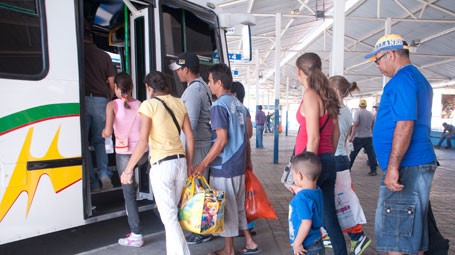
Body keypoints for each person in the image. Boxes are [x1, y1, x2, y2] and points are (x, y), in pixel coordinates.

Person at [365, 34, 437, 255]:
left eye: (378, 60)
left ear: (391, 54)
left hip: (408, 166)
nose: (377, 66)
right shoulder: (418, 79)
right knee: (411, 236)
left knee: (396, 236)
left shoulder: (402, 80)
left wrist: (393, 167)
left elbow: (405, 124)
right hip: (417, 164)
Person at [120, 71, 195, 255]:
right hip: (180, 163)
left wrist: (128, 169)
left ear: (149, 87)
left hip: (162, 165)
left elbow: (143, 141)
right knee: (171, 216)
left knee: (169, 217)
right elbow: (190, 137)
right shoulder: (179, 103)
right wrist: (190, 163)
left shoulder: (149, 105)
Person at [192, 64, 260, 255]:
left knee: (227, 209)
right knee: (236, 207)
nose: (208, 85)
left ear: (219, 83)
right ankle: (232, 246)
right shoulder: (239, 105)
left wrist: (202, 164)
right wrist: (248, 162)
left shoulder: (218, 106)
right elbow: (246, 136)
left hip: (224, 165)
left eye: (210, 81)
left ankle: (229, 250)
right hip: (238, 165)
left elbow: (221, 139)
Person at [290, 52, 347, 255]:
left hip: (312, 165)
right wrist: (327, 157)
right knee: (329, 220)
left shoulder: (310, 95)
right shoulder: (328, 94)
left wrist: (306, 174)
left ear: (299, 71)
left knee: (303, 217)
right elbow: (337, 132)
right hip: (326, 161)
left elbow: (313, 137)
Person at [170, 52, 214, 245]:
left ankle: (203, 232)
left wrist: (187, 160)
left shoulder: (193, 92)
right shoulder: (202, 86)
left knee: (197, 192)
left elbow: (191, 128)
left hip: (197, 148)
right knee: (199, 191)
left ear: (186, 69)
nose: (178, 73)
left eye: (179, 69)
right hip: (202, 146)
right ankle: (202, 230)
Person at [101, 72, 149, 247]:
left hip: (124, 154)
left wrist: (104, 133)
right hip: (143, 153)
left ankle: (136, 234)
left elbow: (107, 131)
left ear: (116, 88)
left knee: (129, 195)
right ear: (132, 87)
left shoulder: (112, 105)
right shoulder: (141, 105)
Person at [329, 76, 371, 255]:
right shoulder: (345, 111)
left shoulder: (336, 111)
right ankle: (336, 234)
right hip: (341, 159)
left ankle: (357, 236)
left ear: (335, 91)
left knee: (341, 201)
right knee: (339, 201)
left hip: (335, 160)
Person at [84, 22, 116, 192]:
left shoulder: (77, 54)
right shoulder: (104, 56)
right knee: (100, 140)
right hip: (101, 101)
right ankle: (104, 174)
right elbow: (112, 83)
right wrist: (108, 99)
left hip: (82, 101)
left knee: (83, 143)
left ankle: (91, 181)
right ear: (92, 37)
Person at [231, 81, 256, 235]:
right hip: (242, 156)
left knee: (242, 194)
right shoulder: (244, 110)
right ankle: (246, 225)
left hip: (239, 157)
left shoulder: (241, 110)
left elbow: (248, 134)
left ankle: (247, 224)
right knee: (243, 192)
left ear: (234, 94)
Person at [288, 151, 325, 255]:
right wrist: (298, 189)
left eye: (293, 174)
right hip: (316, 240)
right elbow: (309, 197)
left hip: (306, 245)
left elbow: (306, 223)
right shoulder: (317, 191)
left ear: (299, 176)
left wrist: (297, 243)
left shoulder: (301, 198)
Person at [348, 99, 378, 176]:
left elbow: (355, 125)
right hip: (368, 136)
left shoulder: (358, 112)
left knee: (353, 154)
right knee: (371, 155)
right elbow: (372, 126)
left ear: (359, 105)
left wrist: (351, 136)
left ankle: (348, 168)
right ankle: (373, 170)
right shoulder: (371, 114)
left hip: (359, 137)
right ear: (366, 105)